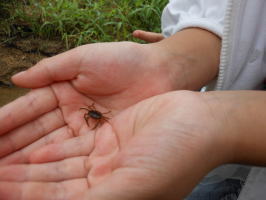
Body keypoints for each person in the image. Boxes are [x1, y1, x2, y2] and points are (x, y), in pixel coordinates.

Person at [0, 0, 265, 200]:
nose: (93, 116)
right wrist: (176, 57)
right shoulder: (93, 112)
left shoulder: (96, 115)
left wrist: (227, 125)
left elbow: (94, 114)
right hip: (215, 170)